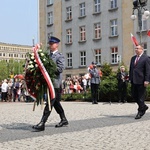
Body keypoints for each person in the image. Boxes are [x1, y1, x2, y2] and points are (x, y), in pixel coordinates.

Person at [33, 36, 68, 131]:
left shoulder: (59, 56)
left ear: (56, 45)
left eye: (52, 44)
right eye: (49, 43)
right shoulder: (48, 56)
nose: (50, 45)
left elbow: (60, 69)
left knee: (50, 102)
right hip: (49, 82)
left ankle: (42, 122)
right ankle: (63, 119)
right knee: (55, 102)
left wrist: (49, 68)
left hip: (55, 83)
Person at [129, 44, 150, 119]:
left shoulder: (146, 58)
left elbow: (148, 70)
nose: (136, 50)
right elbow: (131, 69)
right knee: (134, 96)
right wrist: (130, 78)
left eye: (137, 48)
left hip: (141, 81)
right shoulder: (133, 58)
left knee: (140, 97)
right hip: (134, 80)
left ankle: (140, 111)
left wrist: (147, 80)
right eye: (135, 48)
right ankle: (143, 106)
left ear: (142, 50)